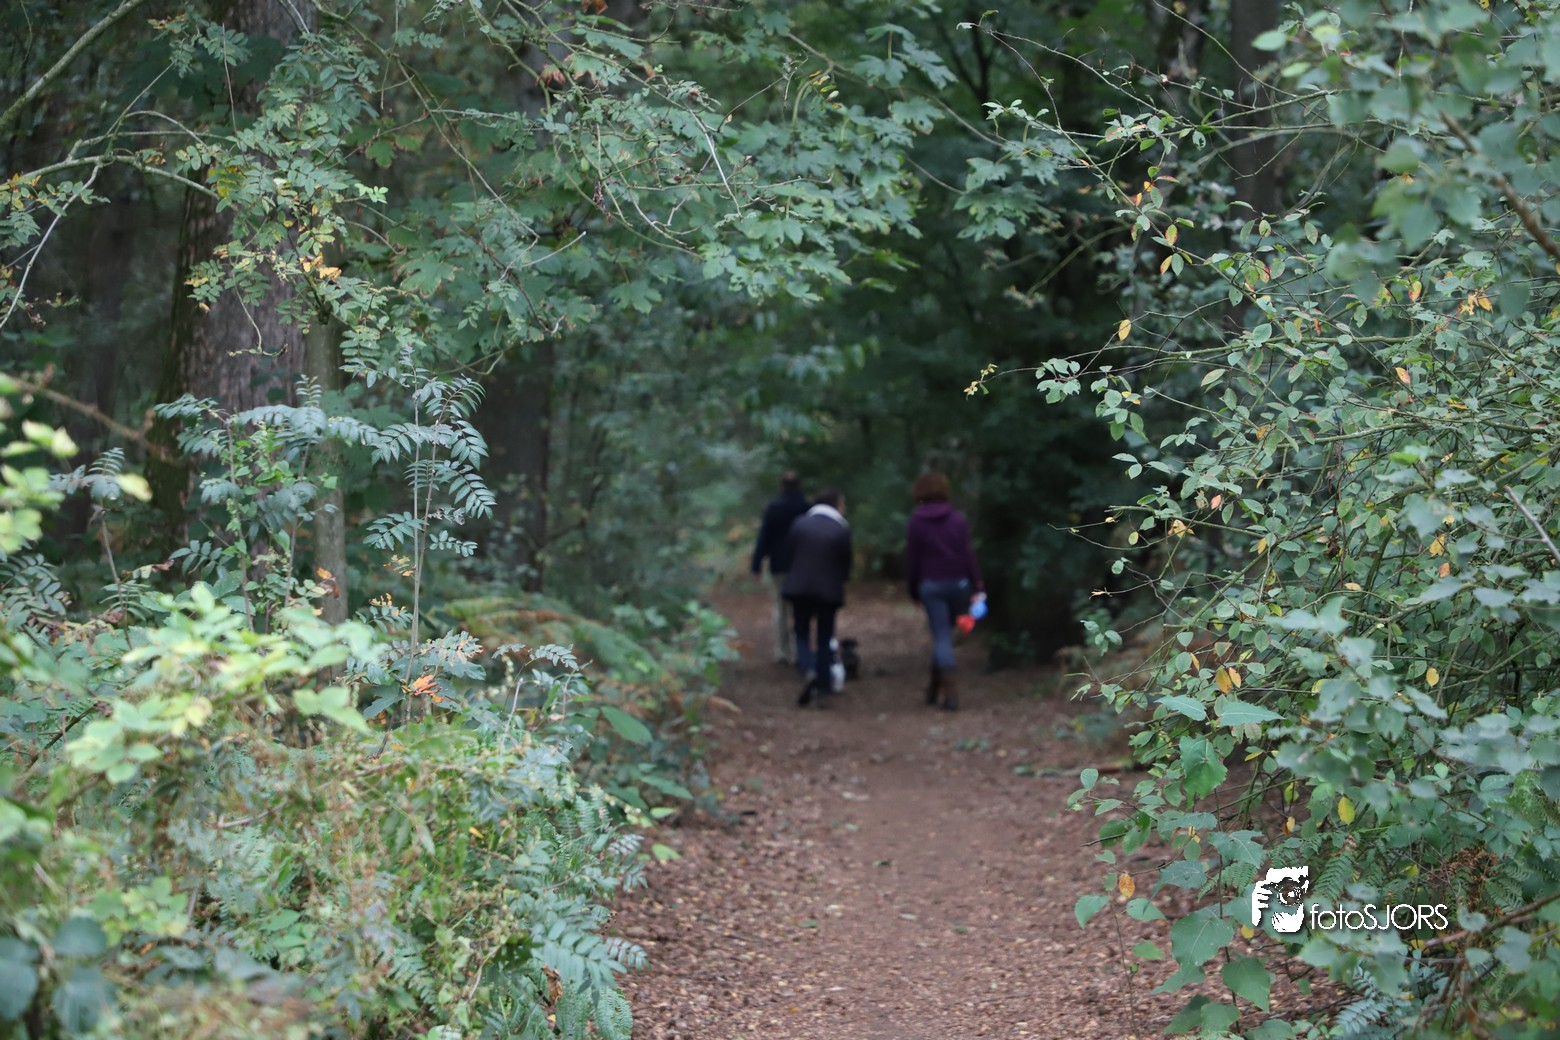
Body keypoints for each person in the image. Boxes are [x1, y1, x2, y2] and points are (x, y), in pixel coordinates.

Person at [904, 471, 983, 711]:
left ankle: (951, 695)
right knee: (944, 635)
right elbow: (968, 555)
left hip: (931, 586)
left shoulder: (916, 521)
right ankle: (933, 689)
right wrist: (977, 585)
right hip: (959, 584)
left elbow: (912, 560)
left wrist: (913, 591)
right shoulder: (957, 519)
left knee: (941, 637)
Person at [781, 488, 852, 707]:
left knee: (801, 632)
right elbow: (845, 563)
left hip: (799, 587)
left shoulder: (799, 524)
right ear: (836, 504)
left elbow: (789, 553)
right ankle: (823, 689)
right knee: (824, 637)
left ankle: (808, 668)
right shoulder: (840, 529)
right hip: (828, 591)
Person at [750, 471, 810, 665]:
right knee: (800, 609)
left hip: (779, 565)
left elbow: (764, 537)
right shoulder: (806, 507)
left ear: (781, 486)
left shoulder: (773, 508)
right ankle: (799, 650)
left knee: (781, 607)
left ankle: (782, 652)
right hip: (802, 565)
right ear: (798, 485)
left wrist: (756, 565)